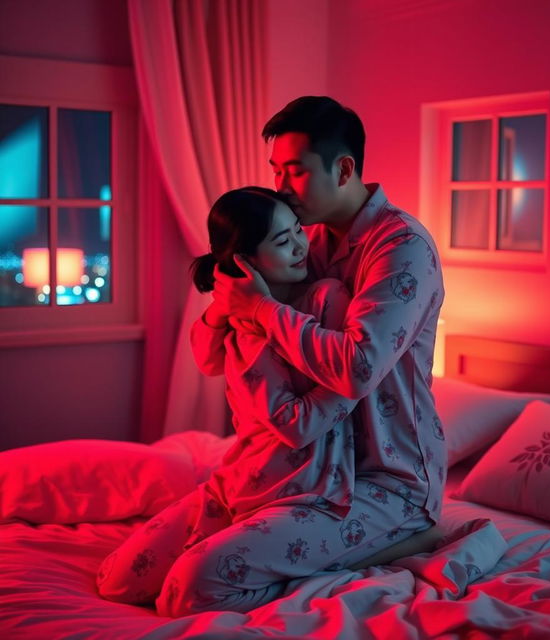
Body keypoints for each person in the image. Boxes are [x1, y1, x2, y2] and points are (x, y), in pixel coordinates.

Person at [97, 187, 428, 616]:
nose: (300, 246)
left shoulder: (326, 299)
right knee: (117, 580)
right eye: (282, 240)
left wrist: (360, 380)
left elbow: (300, 423)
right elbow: (205, 356)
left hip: (309, 492)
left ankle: (350, 561)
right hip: (240, 482)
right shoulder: (235, 318)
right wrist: (228, 310)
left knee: (188, 590)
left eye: (297, 232)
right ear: (246, 261)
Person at [192, 98, 447, 583]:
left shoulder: (402, 247)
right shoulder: (304, 240)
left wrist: (263, 309)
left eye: (295, 173)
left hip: (387, 480)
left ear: (344, 168)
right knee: (132, 575)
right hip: (302, 475)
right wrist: (227, 307)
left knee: (207, 577)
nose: (281, 190)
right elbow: (209, 357)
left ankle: (415, 536)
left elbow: (358, 367)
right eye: (276, 172)